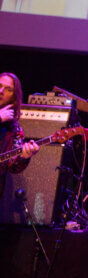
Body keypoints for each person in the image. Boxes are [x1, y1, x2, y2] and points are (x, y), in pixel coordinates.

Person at [0, 73, 40, 202]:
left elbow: (12, 167)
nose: (1, 91)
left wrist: (24, 157)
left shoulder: (14, 130)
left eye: (8, 90)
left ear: (14, 98)